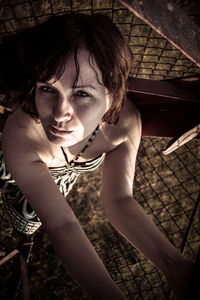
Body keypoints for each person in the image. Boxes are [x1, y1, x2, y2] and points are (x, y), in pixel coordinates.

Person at [0, 13, 194, 300]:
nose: (59, 113)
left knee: (34, 217)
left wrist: (177, 269)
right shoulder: (21, 134)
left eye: (81, 94)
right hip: (10, 163)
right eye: (47, 89)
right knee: (28, 219)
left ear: (111, 94)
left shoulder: (124, 124)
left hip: (60, 173)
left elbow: (119, 200)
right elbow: (62, 224)